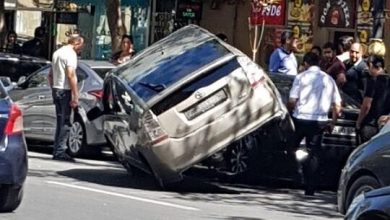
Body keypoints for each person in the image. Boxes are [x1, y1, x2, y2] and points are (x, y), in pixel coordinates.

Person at [288, 52, 342, 196]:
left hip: (301, 118)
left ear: (305, 63)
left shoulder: (300, 78)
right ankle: (310, 186)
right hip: (319, 121)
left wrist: (288, 112)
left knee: (291, 146)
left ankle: (298, 171)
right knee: (314, 152)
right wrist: (333, 123)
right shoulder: (329, 79)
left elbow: (292, 101)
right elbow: (337, 105)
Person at [48, 35, 84, 162]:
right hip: (65, 90)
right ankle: (60, 150)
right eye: (81, 45)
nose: (81, 48)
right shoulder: (70, 54)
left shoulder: (57, 53)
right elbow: (71, 74)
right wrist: (75, 95)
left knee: (60, 121)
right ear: (76, 43)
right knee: (66, 122)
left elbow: (50, 75)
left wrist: (53, 88)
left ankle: (56, 149)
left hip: (56, 89)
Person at [356, 55, 390, 143]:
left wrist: (358, 123)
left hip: (371, 124)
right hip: (385, 126)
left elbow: (366, 105)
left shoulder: (372, 81)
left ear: (371, 65)